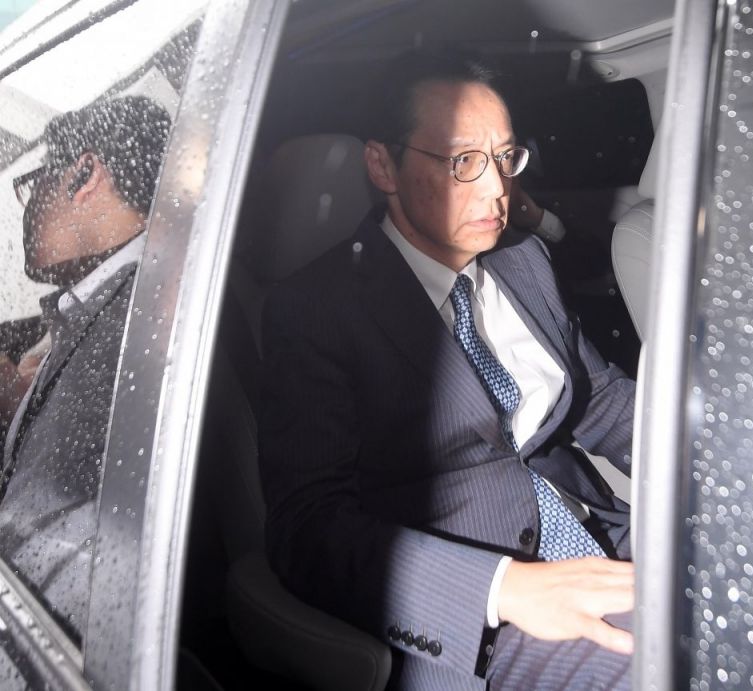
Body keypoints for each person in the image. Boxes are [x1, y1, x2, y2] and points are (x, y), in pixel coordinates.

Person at [259, 50, 635, 690]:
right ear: (383, 165)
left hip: (603, 537)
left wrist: (723, 458)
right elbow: (308, 529)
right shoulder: (315, 310)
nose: (496, 189)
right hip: (482, 623)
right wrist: (504, 589)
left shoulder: (524, 259)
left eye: (505, 158)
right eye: (463, 162)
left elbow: (598, 397)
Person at [0, 95, 171, 639]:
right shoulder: (115, 300)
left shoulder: (134, 322)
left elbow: (34, 547)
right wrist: (20, 405)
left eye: (33, 185)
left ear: (84, 175)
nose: (27, 207)